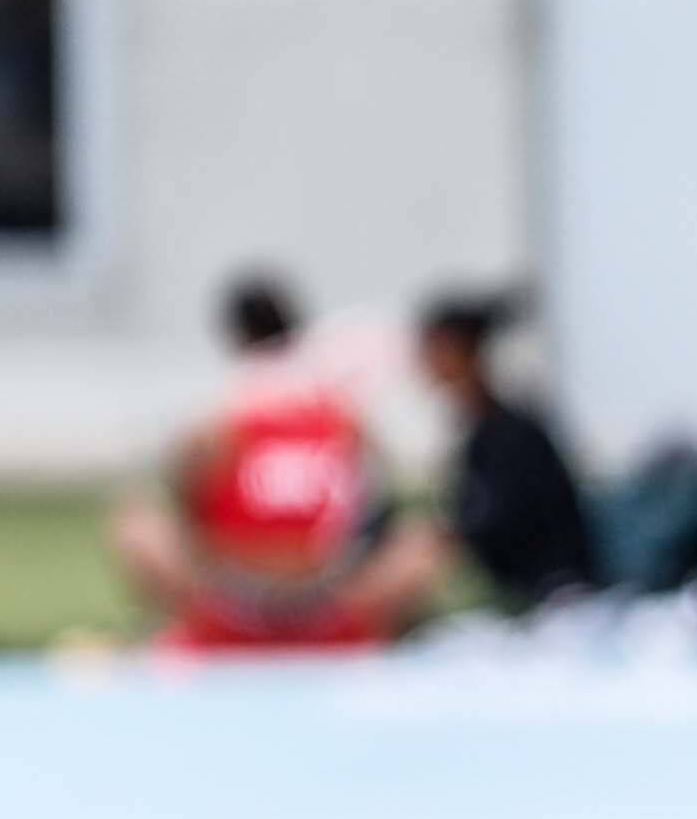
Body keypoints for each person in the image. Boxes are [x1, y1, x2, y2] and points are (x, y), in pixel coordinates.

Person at [108, 272, 448, 649]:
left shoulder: (226, 408)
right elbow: (380, 495)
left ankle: (185, 627)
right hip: (332, 605)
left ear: (236, 336)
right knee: (423, 535)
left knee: (136, 518)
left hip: (231, 610)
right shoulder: (340, 409)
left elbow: (182, 487)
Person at [417, 289, 602, 615]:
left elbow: (502, 527)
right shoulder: (474, 430)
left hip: (533, 589)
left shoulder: (512, 433)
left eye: (435, 349)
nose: (427, 362)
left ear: (466, 352)